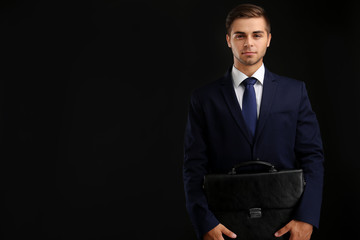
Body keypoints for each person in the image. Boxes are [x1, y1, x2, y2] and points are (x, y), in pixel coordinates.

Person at [183, 3, 324, 240]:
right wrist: (205, 222)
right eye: (240, 35)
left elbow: (313, 157)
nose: (249, 43)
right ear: (229, 40)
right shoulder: (204, 98)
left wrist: (306, 218)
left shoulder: (294, 92)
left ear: (268, 39)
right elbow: (193, 166)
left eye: (256, 35)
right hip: (225, 225)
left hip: (285, 222)